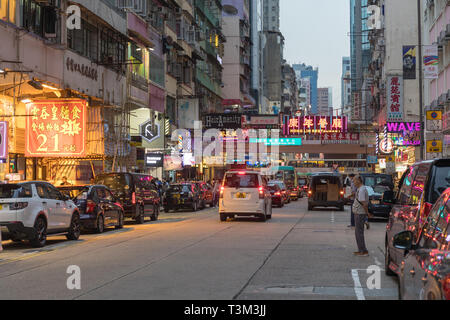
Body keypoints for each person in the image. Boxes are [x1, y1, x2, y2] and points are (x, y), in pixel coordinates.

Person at [352, 175, 373, 256]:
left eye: (354, 181)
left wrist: (367, 213)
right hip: (359, 213)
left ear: (358, 180)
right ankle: (361, 249)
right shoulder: (361, 189)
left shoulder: (362, 190)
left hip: (360, 213)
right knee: (358, 232)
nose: (353, 183)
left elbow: (364, 203)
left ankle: (363, 251)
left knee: (359, 232)